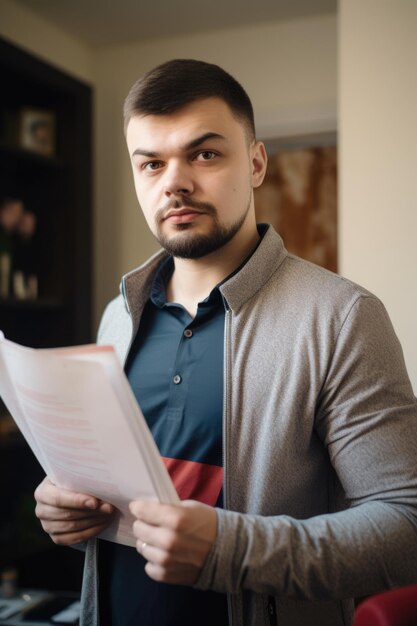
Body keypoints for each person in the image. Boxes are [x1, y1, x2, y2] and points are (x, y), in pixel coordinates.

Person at [34, 59, 417, 626]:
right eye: (152, 163)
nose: (176, 182)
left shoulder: (342, 317)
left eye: (205, 154)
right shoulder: (118, 317)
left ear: (257, 163)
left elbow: (404, 525)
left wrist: (229, 551)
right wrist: (66, 511)